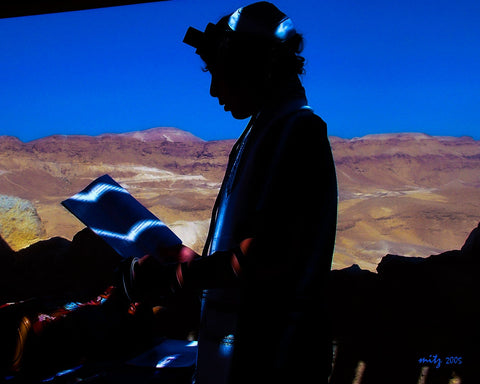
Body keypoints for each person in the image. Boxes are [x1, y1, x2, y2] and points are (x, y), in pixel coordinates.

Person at [123, 2, 338, 383]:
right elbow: (255, 247)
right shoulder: (265, 132)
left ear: (256, 67)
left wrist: (175, 277)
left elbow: (262, 259)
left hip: (274, 360)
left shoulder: (297, 133)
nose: (212, 89)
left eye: (220, 72)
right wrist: (190, 261)